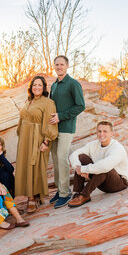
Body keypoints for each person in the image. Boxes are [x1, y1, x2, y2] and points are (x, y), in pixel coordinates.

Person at [15, 75, 58, 213]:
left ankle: (32, 198)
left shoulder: (48, 102)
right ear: (31, 87)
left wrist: (46, 141)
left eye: (40, 85)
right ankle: (37, 196)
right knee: (26, 167)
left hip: (38, 138)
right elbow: (22, 120)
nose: (37, 87)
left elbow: (50, 123)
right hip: (25, 139)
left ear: (44, 88)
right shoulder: (28, 101)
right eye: (34, 85)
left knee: (35, 167)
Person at [49, 55, 86, 209]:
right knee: (56, 160)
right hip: (53, 128)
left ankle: (65, 194)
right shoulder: (54, 85)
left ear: (67, 66)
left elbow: (80, 106)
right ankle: (60, 189)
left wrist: (61, 116)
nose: (59, 67)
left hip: (66, 127)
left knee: (62, 158)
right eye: (56, 64)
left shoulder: (73, 84)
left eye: (62, 64)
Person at [68, 121, 128, 208]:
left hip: (118, 183)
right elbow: (74, 154)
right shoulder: (93, 145)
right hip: (101, 181)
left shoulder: (117, 148)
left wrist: (84, 169)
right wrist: (78, 168)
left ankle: (84, 195)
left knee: (104, 168)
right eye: (99, 131)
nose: (101, 134)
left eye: (105, 131)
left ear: (112, 133)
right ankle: (78, 193)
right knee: (81, 156)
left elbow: (104, 166)